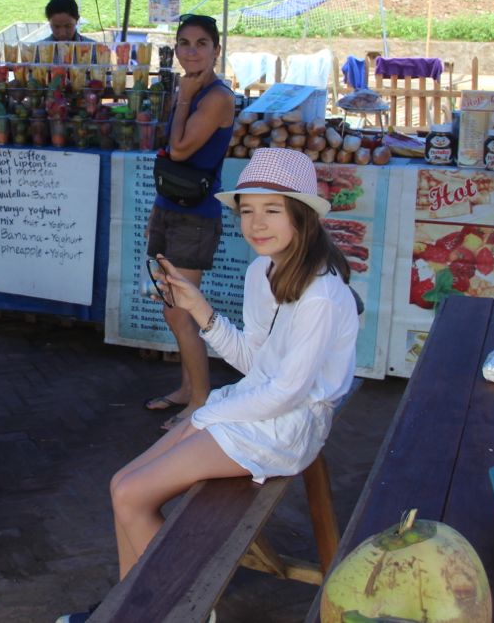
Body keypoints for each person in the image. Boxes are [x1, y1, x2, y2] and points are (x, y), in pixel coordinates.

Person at [57, 150, 359, 622]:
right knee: (122, 486)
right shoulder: (262, 271)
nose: (256, 224)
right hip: (255, 406)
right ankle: (133, 607)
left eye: (272, 210)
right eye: (247, 211)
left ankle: (182, 609)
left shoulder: (321, 294)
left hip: (286, 426)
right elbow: (254, 363)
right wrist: (198, 307)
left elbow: (287, 393)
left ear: (303, 216)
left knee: (132, 494)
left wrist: (203, 416)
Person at [144, 13, 235, 430]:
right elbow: (172, 160)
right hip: (171, 208)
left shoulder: (215, 97)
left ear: (216, 50)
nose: (192, 51)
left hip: (195, 218)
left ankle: (200, 401)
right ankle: (186, 389)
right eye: (184, 43)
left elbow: (179, 150)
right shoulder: (194, 90)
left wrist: (183, 98)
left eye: (201, 43)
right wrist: (156, 211)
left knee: (182, 313)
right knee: (172, 311)